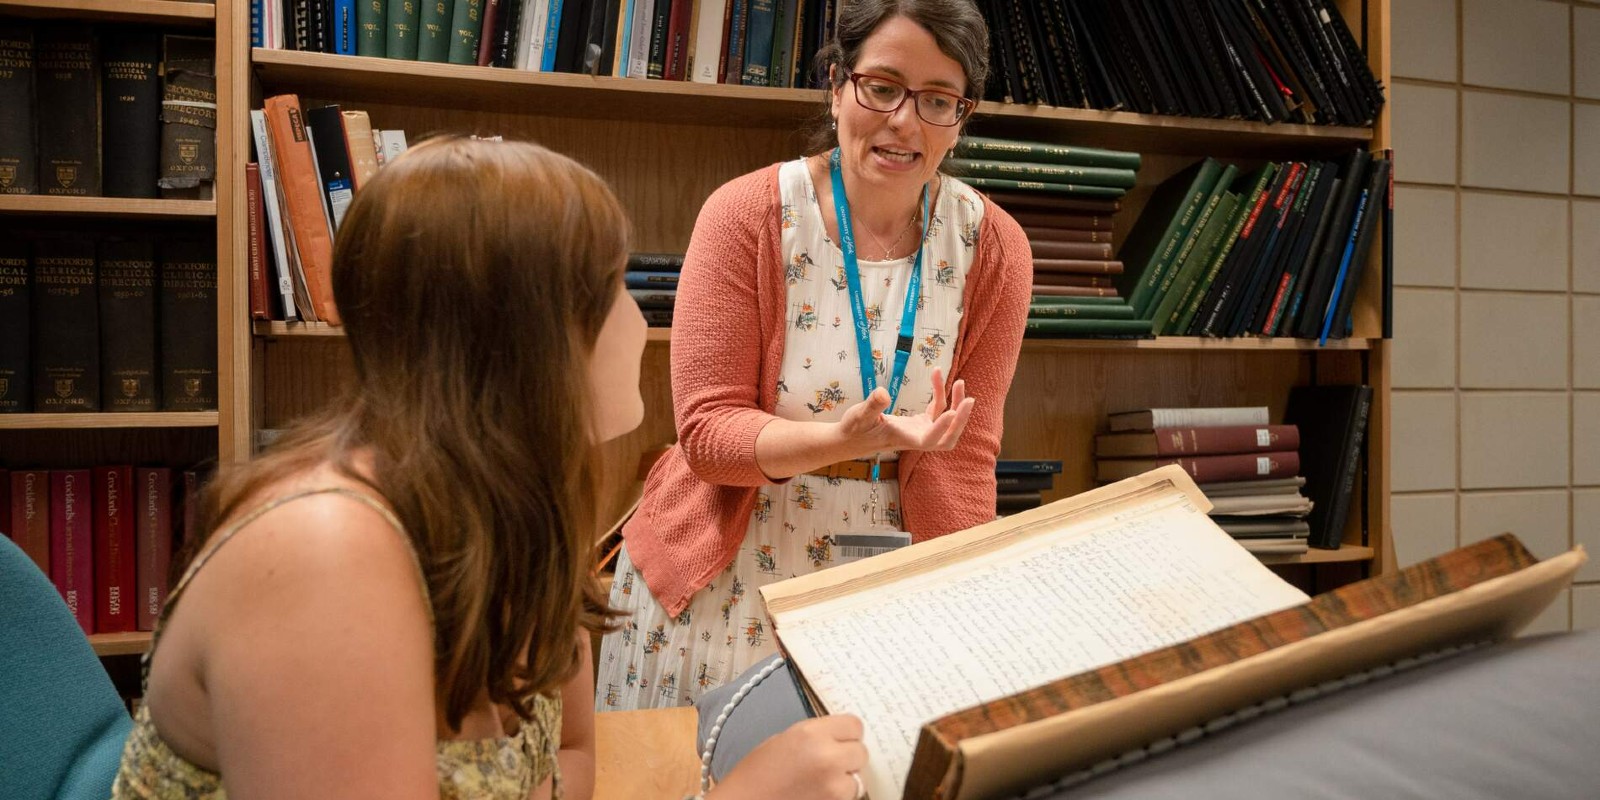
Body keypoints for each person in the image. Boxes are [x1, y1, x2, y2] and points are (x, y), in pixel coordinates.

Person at [110, 137, 868, 800]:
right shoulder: (323, 555)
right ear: (526, 341)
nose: (641, 323)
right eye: (612, 291)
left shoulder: (506, 517)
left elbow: (568, 767)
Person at [598, 0, 1032, 712]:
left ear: (963, 117)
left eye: (937, 100)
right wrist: (840, 441)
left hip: (888, 586)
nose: (904, 121)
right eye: (883, 87)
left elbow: (967, 453)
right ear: (837, 86)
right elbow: (707, 435)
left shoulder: (996, 248)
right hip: (725, 579)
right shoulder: (747, 214)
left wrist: (962, 609)